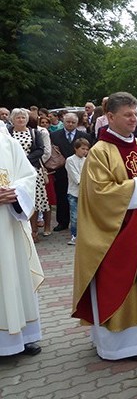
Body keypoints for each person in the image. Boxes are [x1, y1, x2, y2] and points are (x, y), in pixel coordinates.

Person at [71, 91, 137, 360]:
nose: (134, 118)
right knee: (125, 281)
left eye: (135, 113)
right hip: (118, 234)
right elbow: (99, 195)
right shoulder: (100, 152)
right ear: (110, 117)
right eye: (127, 114)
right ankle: (123, 345)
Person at [0, 127, 45, 357]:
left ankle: (22, 336)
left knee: (15, 272)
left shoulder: (8, 143)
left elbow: (29, 175)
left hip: (9, 222)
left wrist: (16, 191)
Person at [8, 108, 49, 243]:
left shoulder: (34, 132)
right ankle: (18, 231)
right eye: (18, 118)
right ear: (12, 120)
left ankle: (34, 231)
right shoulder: (8, 134)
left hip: (32, 171)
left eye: (23, 117)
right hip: (14, 172)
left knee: (34, 201)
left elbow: (40, 150)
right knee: (16, 200)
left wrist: (25, 160)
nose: (21, 120)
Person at [50, 112, 91, 232]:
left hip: (79, 169)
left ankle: (79, 224)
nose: (70, 124)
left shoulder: (84, 136)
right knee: (61, 196)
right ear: (63, 122)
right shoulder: (54, 135)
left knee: (78, 198)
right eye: (68, 122)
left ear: (77, 123)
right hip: (61, 171)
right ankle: (62, 222)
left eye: (73, 122)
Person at [65, 138, 89, 246]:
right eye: (82, 149)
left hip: (86, 192)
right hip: (74, 192)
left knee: (86, 215)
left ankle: (85, 235)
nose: (85, 151)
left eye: (87, 149)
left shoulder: (88, 160)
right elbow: (75, 177)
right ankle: (74, 236)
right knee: (75, 216)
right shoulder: (70, 160)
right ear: (76, 148)